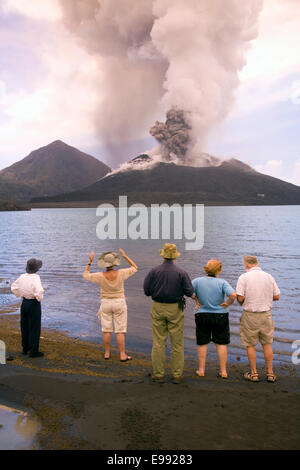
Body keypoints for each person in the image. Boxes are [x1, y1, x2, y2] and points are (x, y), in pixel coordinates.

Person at [143, 243, 197, 384]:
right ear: (174, 257)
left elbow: (146, 291)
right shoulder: (181, 272)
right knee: (177, 344)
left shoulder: (153, 271)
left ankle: (158, 374)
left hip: (157, 307)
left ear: (163, 255)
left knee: (158, 342)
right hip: (175, 308)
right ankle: (177, 375)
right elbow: (189, 292)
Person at [82, 248, 137, 361]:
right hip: (119, 303)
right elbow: (135, 267)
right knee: (120, 330)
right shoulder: (121, 273)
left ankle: (107, 353)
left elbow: (85, 275)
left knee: (106, 330)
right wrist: (125, 256)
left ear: (104, 264)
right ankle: (122, 355)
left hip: (105, 304)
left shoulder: (99, 275)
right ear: (114, 263)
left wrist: (90, 261)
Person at [236, 255, 280, 383]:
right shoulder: (268, 276)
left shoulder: (243, 277)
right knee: (267, 344)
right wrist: (264, 299)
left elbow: (239, 298)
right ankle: (270, 373)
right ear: (257, 263)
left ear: (247, 265)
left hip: (250, 315)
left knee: (250, 345)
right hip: (266, 314)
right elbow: (277, 296)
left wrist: (246, 300)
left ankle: (254, 374)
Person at [192, 259, 236, 379]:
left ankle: (201, 370)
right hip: (220, 315)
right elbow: (233, 295)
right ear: (219, 270)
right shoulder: (222, 282)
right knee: (221, 343)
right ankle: (223, 371)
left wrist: (196, 300)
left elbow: (188, 291)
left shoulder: (197, 281)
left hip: (202, 314)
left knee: (202, 343)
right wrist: (227, 304)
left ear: (206, 269)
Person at [11, 258, 45, 358]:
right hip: (33, 303)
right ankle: (34, 351)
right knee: (34, 327)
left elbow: (13, 287)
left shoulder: (22, 276)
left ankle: (25, 348)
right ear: (37, 269)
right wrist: (39, 299)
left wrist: (20, 294)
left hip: (24, 302)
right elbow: (39, 291)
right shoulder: (36, 277)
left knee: (24, 326)